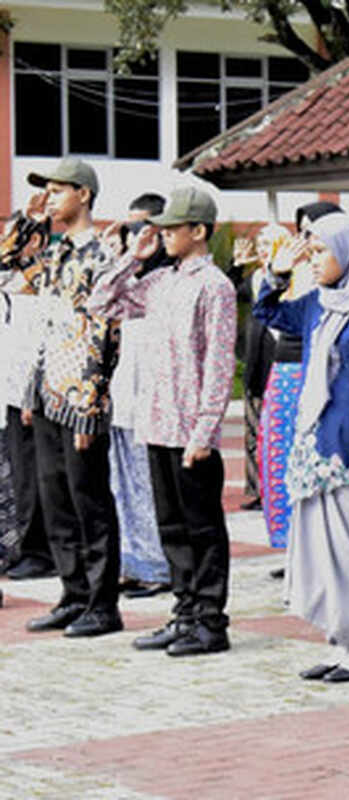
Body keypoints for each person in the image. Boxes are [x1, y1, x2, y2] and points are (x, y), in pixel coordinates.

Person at [253, 212, 349, 683]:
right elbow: (270, 313)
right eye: (312, 252)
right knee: (321, 547)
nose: (315, 261)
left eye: (323, 251)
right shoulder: (322, 303)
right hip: (315, 440)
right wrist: (279, 270)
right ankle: (340, 642)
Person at [88, 187, 237, 656]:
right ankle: (185, 612)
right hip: (157, 424)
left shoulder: (214, 286)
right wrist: (134, 257)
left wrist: (205, 430)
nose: (165, 235)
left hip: (191, 431)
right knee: (171, 528)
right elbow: (102, 303)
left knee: (203, 530)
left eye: (173, 228)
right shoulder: (160, 283)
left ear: (198, 230)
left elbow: (218, 363)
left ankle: (211, 622)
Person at [20, 157, 124, 638]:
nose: (52, 198)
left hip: (82, 398)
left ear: (83, 194)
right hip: (46, 394)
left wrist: (91, 405)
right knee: (55, 499)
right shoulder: (54, 252)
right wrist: (29, 220)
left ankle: (103, 604)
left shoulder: (102, 256)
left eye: (58, 190)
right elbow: (8, 263)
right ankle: (73, 593)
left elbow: (105, 335)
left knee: (90, 503)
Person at [259, 202, 341, 563]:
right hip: (288, 371)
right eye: (304, 232)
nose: (308, 241)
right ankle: (294, 548)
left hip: (324, 380)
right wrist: (277, 274)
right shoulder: (294, 270)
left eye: (317, 232)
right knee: (283, 460)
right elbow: (268, 312)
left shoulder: (341, 276)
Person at [105, 208, 172, 600]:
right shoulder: (132, 286)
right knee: (122, 486)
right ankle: (132, 563)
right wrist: (125, 258)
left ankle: (157, 566)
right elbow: (98, 298)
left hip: (151, 401)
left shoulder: (161, 286)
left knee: (147, 488)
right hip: (122, 397)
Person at [0, 212, 55, 579]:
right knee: (16, 472)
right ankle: (19, 545)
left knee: (33, 471)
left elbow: (43, 339)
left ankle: (39, 550)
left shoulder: (45, 278)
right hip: (9, 387)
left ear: (34, 242)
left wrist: (33, 391)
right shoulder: (13, 278)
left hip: (31, 390)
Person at [232, 223, 289, 512]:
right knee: (253, 432)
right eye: (261, 244)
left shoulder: (290, 277)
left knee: (276, 430)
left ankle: (277, 488)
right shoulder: (255, 278)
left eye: (269, 244)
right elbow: (231, 291)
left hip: (277, 361)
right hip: (255, 362)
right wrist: (236, 267)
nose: (263, 250)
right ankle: (257, 489)